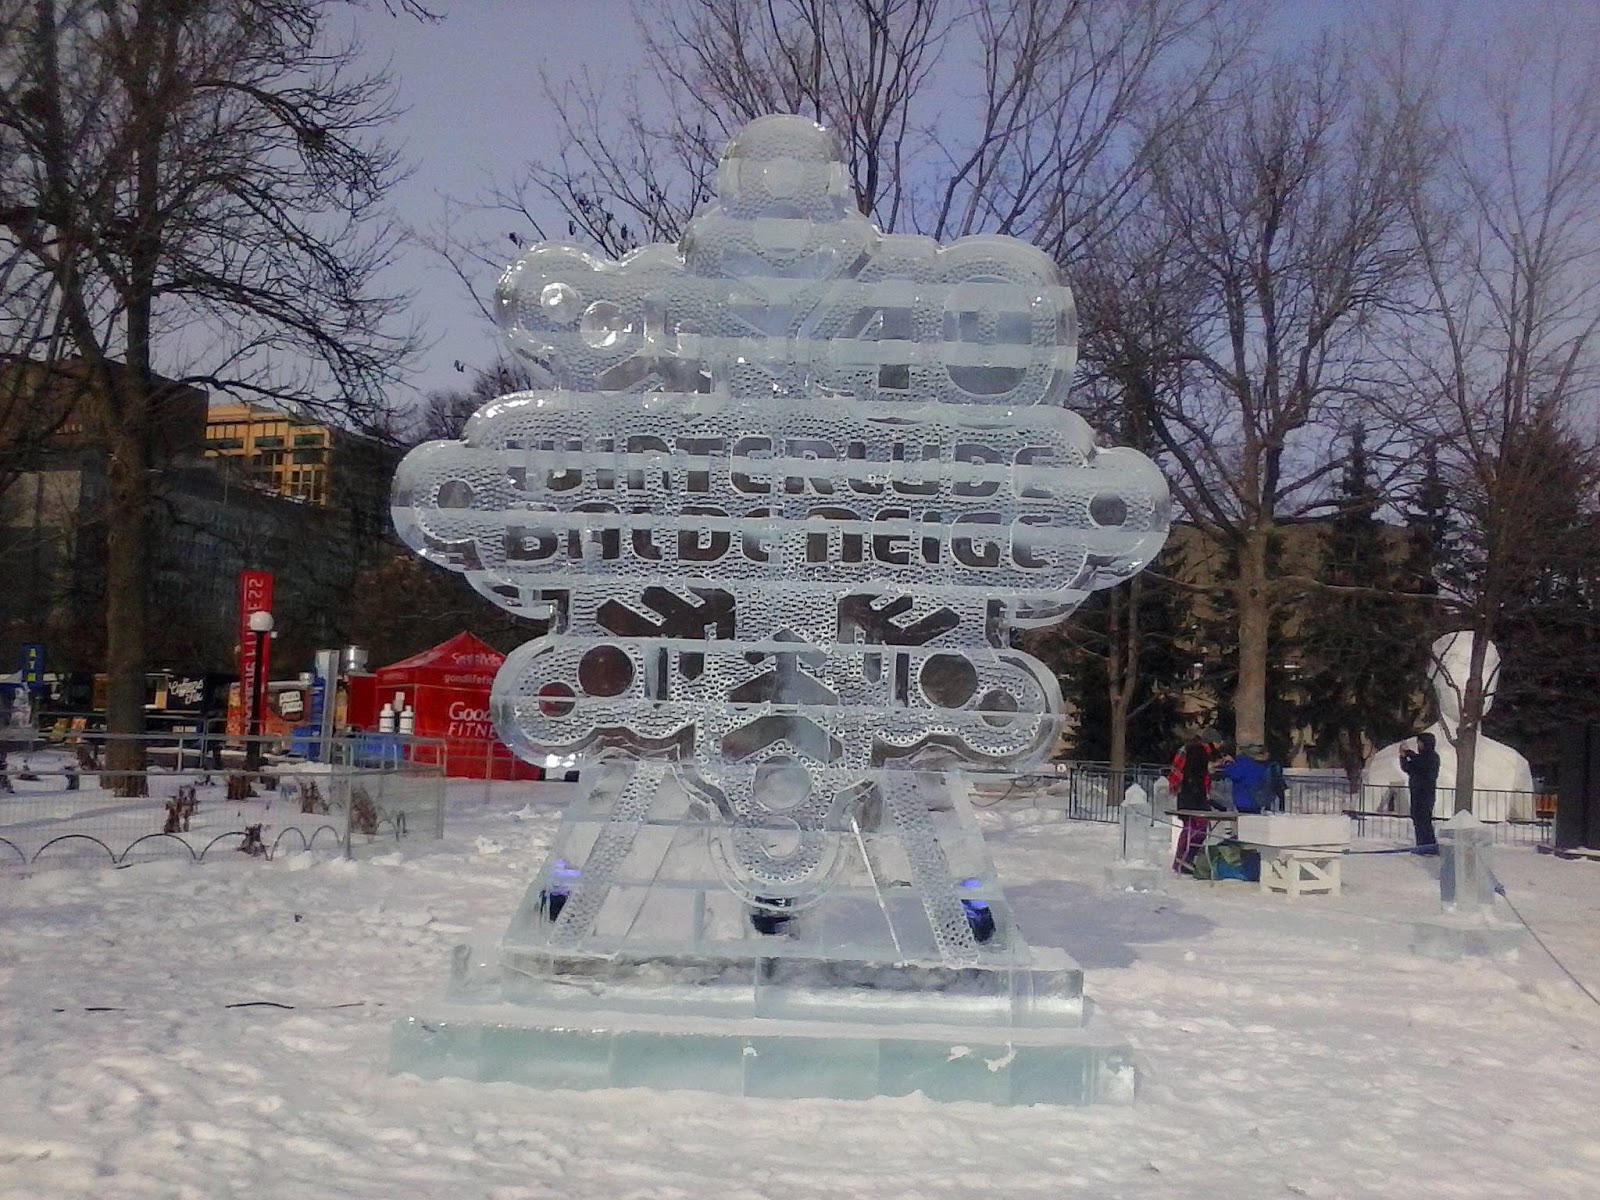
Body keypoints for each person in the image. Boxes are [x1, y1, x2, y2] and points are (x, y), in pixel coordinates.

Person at [1169, 729, 1219, 874]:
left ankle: (1184, 859)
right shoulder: (1198, 752)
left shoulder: (1195, 751)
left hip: (1190, 796)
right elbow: (1196, 775)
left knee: (1193, 828)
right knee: (1197, 828)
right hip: (1193, 797)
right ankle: (1183, 859)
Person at [1399, 731, 1441, 854]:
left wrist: (1408, 752)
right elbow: (1408, 767)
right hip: (1416, 792)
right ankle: (1422, 844)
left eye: (1420, 743)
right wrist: (1403, 757)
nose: (1419, 746)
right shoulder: (1420, 758)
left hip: (1425, 793)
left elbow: (1420, 762)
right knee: (1418, 819)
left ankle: (1428, 845)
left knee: (1424, 820)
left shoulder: (1432, 757)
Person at [1218, 743, 1280, 814]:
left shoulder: (1243, 761)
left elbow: (1235, 774)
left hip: (1244, 798)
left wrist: (1227, 764)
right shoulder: (1263, 763)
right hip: (1258, 798)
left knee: (1245, 820)